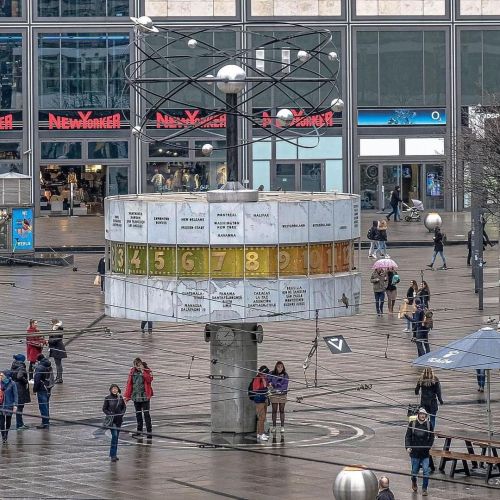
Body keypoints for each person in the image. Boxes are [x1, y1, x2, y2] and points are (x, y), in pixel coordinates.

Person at [405, 407, 434, 496]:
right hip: (415, 453)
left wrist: (428, 447)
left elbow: (432, 437)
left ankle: (424, 489)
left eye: (424, 414)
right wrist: (408, 447)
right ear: (418, 414)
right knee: (414, 471)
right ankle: (414, 481)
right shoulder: (412, 424)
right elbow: (407, 437)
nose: (422, 416)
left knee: (426, 471)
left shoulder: (429, 424)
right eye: (421, 414)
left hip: (425, 453)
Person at [124, 358, 153, 439]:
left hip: (145, 396)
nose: (137, 367)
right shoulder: (132, 371)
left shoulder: (147, 370)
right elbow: (129, 384)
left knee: (146, 414)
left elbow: (149, 380)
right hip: (136, 396)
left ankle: (149, 432)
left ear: (141, 364)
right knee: (138, 414)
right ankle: (139, 432)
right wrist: (127, 396)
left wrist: (143, 371)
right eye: (135, 365)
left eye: (138, 365)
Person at [102, 384, 127, 462]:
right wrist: (110, 414)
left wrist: (122, 414)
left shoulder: (120, 398)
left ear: (118, 390)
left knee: (116, 438)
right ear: (110, 390)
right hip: (112, 421)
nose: (114, 390)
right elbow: (104, 409)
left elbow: (124, 407)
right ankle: (113, 455)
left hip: (119, 420)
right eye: (113, 389)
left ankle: (114, 454)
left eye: (116, 389)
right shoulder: (107, 398)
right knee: (115, 436)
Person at [33, 354, 54, 429]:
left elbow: (37, 380)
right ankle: (47, 421)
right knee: (46, 405)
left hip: (42, 389)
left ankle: (45, 423)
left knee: (43, 406)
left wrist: (34, 390)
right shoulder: (49, 365)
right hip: (48, 388)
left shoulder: (39, 368)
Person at [267, 361, 289, 433]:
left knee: (282, 410)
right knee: (274, 410)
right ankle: (274, 427)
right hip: (274, 394)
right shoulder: (271, 373)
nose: (280, 368)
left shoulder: (286, 375)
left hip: (282, 394)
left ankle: (282, 426)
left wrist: (276, 387)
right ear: (276, 367)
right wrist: (270, 385)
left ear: (283, 367)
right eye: (278, 367)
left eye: (281, 367)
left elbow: (285, 386)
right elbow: (268, 380)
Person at [10, 354, 30, 430]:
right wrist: (26, 381)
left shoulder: (14, 365)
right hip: (20, 387)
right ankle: (19, 425)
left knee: (19, 406)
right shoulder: (21, 366)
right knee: (20, 407)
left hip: (15, 385)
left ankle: (20, 423)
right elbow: (20, 376)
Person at [251, 366, 270, 442]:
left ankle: (259, 433)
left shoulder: (265, 378)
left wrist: (269, 387)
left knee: (263, 417)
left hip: (264, 399)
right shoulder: (257, 378)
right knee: (261, 417)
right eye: (265, 373)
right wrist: (265, 390)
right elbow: (255, 389)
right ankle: (261, 434)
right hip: (259, 400)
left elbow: (267, 385)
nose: (266, 375)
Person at [0, 371, 18, 444]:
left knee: (8, 421)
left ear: (7, 376)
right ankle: (3, 435)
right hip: (1, 405)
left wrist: (15, 405)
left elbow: (15, 395)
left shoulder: (12, 384)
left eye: (2, 375)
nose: (1, 376)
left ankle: (6, 434)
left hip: (9, 405)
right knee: (1, 422)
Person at [48, 319, 67, 384]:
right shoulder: (56, 329)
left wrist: (48, 341)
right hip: (56, 348)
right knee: (58, 364)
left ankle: (59, 378)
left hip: (57, 348)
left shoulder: (58, 329)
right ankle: (58, 377)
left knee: (58, 364)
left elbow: (54, 340)